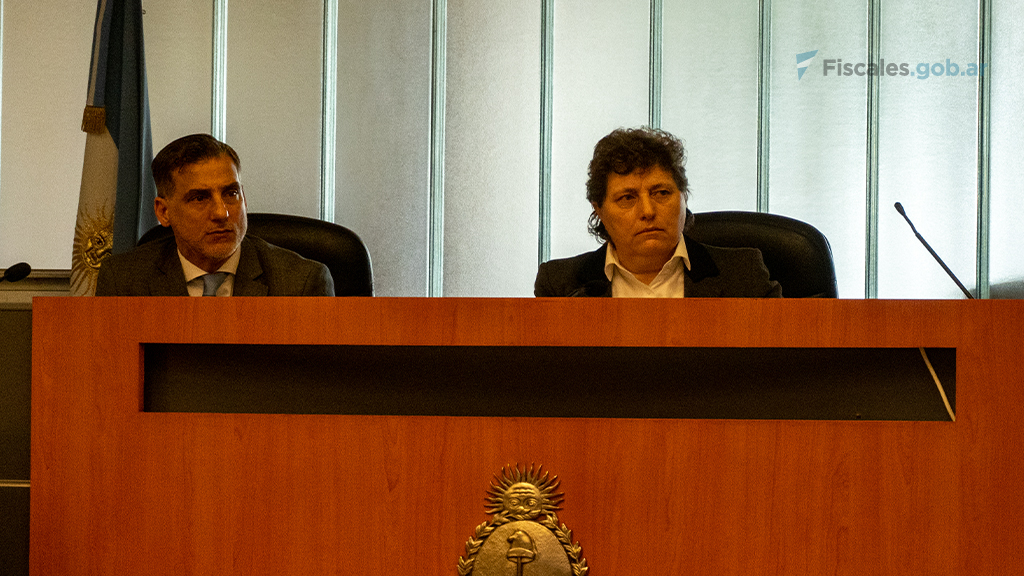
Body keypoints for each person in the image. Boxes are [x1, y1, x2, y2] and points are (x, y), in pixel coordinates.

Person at [534, 127, 781, 298]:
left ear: (684, 196)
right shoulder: (561, 285)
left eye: (661, 193)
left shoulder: (743, 275)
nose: (648, 211)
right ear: (598, 209)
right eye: (627, 198)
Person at [95, 134, 334, 296]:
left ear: (244, 198)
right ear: (164, 212)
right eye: (200, 198)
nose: (222, 212)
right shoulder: (123, 281)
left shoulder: (300, 284)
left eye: (231, 193)